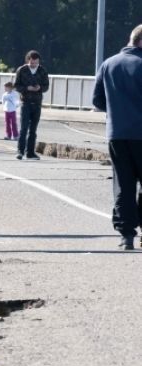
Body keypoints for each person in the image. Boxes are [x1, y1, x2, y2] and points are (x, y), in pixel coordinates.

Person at [92, 24, 142, 250]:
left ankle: (126, 235)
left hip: (117, 133)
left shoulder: (108, 64)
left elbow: (98, 101)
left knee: (123, 184)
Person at [14, 50, 49, 160]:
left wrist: (40, 88)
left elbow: (46, 86)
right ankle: (20, 151)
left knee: (33, 130)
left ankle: (30, 152)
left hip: (37, 102)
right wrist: (26, 88)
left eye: (36, 63)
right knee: (24, 128)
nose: (34, 65)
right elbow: (16, 86)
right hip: (26, 102)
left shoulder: (42, 70)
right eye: (32, 63)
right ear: (28, 60)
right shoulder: (22, 70)